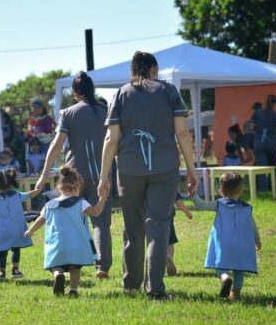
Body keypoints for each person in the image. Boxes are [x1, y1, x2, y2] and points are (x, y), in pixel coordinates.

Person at [97, 51, 198, 301]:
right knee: (159, 225)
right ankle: (155, 289)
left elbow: (111, 139)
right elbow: (183, 134)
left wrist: (103, 177)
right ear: (154, 68)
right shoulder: (169, 91)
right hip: (164, 169)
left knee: (133, 229)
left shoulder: (120, 94)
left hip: (129, 170)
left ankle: (131, 285)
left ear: (133, 69)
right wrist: (192, 170)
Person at [35, 71, 113, 279]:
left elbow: (56, 144)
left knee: (67, 219)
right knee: (101, 222)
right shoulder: (106, 111)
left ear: (76, 92)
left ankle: (64, 262)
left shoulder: (67, 113)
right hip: (101, 173)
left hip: (73, 175)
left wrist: (43, 175)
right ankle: (102, 265)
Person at [25, 167, 108, 297]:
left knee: (56, 265)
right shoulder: (81, 203)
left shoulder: (50, 204)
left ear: (59, 187)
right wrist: (103, 198)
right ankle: (73, 289)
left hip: (57, 244)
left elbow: (41, 220)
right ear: (78, 187)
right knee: (75, 267)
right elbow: (95, 212)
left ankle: (58, 275)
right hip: (76, 244)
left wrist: (30, 231)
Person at [190, 172, 261, 300]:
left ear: (220, 191)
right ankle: (236, 293)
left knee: (220, 265)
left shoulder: (219, 204)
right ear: (241, 190)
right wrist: (257, 239)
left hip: (224, 243)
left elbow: (201, 205)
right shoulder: (246, 208)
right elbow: (252, 225)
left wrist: (193, 195)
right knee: (239, 269)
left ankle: (225, 277)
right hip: (242, 244)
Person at [250, 95, 276, 190]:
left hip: (259, 142)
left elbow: (251, 127)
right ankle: (272, 188)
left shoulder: (256, 114)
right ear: (274, 103)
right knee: (272, 167)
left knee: (261, 167)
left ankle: (262, 189)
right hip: (272, 142)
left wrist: (258, 129)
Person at [166, 193, 193, 277]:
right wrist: (188, 213)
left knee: (154, 242)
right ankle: (169, 257)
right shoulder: (169, 181)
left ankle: (155, 266)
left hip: (150, 215)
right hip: (167, 216)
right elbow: (178, 200)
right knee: (170, 242)